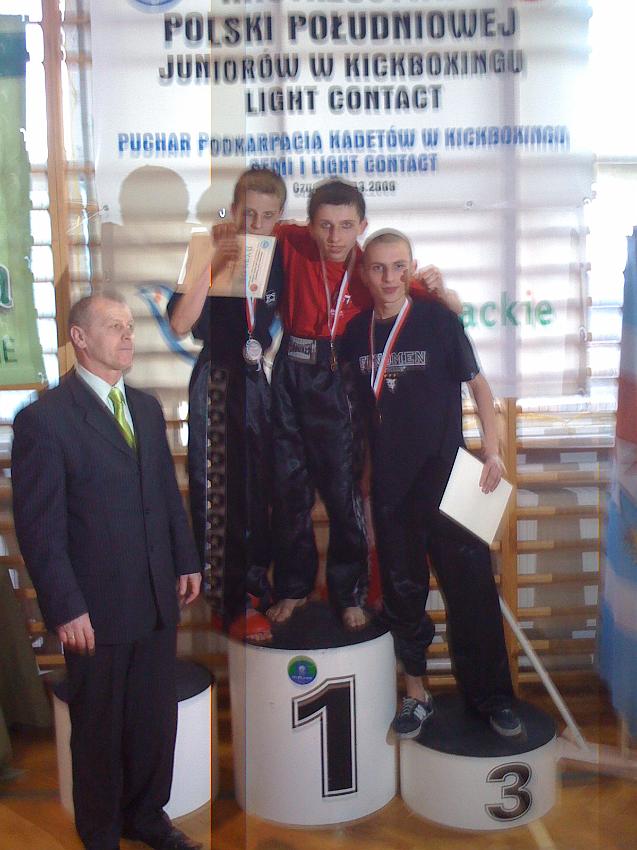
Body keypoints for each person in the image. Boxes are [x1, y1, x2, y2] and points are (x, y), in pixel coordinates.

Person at [11, 293, 203, 850]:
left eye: (129, 326)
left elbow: (165, 494)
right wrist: (65, 607)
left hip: (156, 595)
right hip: (93, 611)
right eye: (114, 326)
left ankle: (148, 818)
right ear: (79, 337)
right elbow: (40, 530)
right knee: (98, 729)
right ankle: (99, 833)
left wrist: (186, 558)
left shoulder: (145, 407)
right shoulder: (44, 421)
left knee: (152, 721)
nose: (127, 335)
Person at [340, 229, 522, 739]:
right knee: (403, 594)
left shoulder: (439, 321)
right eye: (379, 268)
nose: (389, 278)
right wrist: (363, 481)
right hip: (391, 488)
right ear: (364, 274)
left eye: (399, 266)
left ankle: (492, 700)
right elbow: (359, 415)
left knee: (473, 594)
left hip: (450, 479)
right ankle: (416, 694)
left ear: (412, 267)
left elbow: (480, 388)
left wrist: (493, 450)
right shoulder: (353, 335)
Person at [267, 180, 461, 631]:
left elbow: (447, 308)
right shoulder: (289, 239)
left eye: (345, 226)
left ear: (362, 225)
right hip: (290, 372)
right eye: (325, 225)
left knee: (344, 490)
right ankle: (293, 587)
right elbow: (250, 228)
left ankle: (349, 592)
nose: (334, 237)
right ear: (308, 225)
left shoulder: (373, 267)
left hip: (340, 375)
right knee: (289, 488)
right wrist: (224, 232)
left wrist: (443, 288)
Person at [168, 168, 284, 641]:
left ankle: (252, 590)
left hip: (257, 380)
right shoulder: (206, 248)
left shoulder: (280, 254)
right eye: (248, 213)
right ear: (234, 210)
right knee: (219, 491)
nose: (255, 224)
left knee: (258, 490)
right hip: (217, 377)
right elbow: (180, 323)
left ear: (279, 217)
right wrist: (214, 262)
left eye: (266, 216)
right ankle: (227, 600)